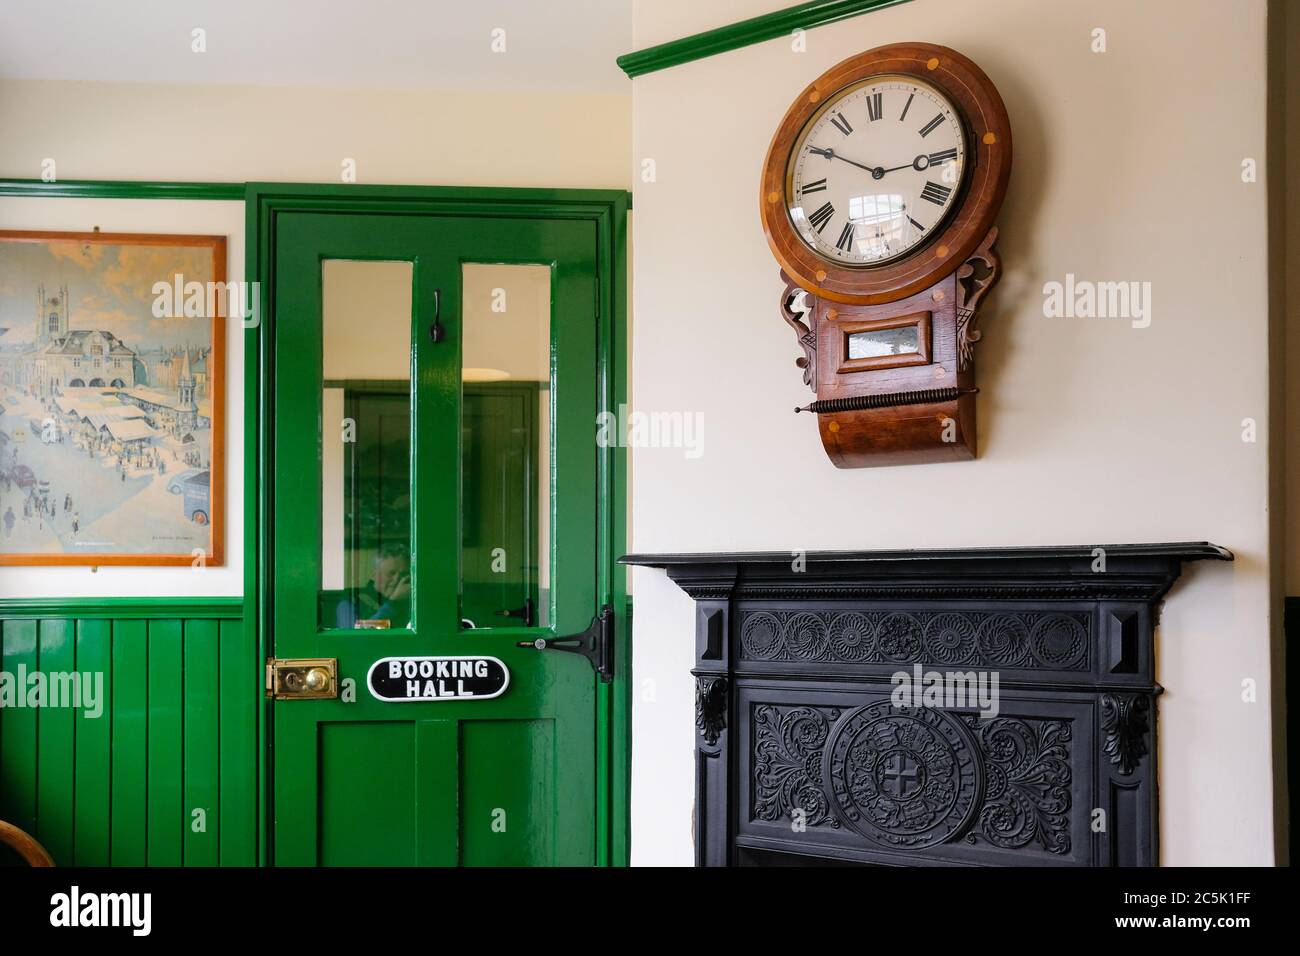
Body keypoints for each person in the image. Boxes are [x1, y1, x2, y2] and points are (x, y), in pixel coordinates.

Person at [336, 542, 413, 629]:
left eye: (403, 574)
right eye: (391, 573)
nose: (397, 580)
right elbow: (354, 636)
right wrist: (393, 603)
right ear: (374, 574)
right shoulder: (350, 602)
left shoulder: (411, 602)